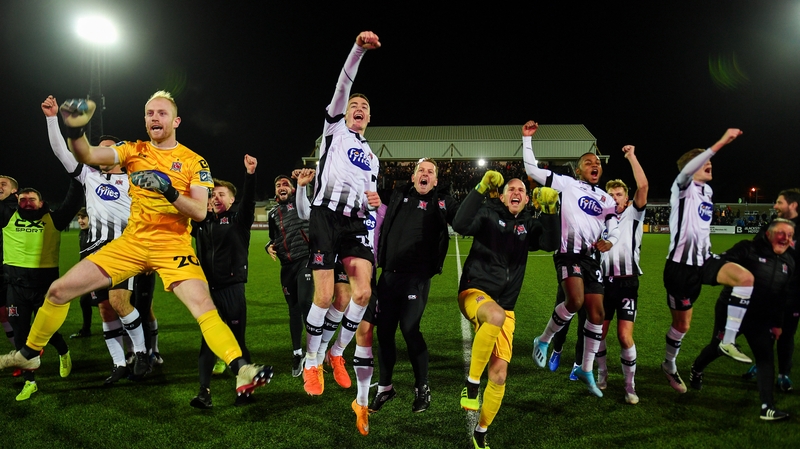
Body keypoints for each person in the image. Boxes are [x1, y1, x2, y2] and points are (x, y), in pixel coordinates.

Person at [0, 91, 272, 401]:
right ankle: (29, 353)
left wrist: (167, 189)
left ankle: (241, 367)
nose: (155, 117)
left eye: (161, 113)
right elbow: (86, 155)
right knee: (59, 291)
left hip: (172, 246)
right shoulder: (133, 150)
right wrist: (75, 129)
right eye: (149, 113)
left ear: (176, 120)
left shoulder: (194, 161)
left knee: (203, 307)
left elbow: (199, 211)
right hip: (132, 242)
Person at [43, 96, 153, 382]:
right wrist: (52, 118)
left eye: (106, 151)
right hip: (93, 251)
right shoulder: (88, 175)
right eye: (96, 150)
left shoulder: (135, 179)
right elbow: (59, 151)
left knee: (119, 302)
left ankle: (141, 353)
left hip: (124, 249)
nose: (99, 155)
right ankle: (119, 364)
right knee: (105, 309)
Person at [302, 31, 381, 396]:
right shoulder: (333, 129)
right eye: (354, 106)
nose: (358, 110)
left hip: (353, 224)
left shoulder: (373, 157)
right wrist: (357, 50)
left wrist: (375, 201)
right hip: (325, 217)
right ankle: (312, 361)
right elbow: (343, 83)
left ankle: (336, 354)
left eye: (364, 108)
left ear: (369, 118)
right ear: (345, 111)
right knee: (324, 296)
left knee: (360, 294)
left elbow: (371, 196)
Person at [454, 174, 560, 449]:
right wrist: (479, 188)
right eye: (510, 189)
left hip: (505, 307)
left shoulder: (529, 224)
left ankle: (481, 430)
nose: (515, 192)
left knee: (500, 375)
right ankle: (472, 384)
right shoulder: (489, 213)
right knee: (496, 315)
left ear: (527, 199)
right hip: (474, 293)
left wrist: (550, 211)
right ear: (501, 196)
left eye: (521, 190)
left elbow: (550, 244)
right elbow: (460, 223)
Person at [522, 120, 620, 397]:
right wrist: (527, 139)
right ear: (579, 169)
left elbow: (614, 224)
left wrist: (610, 240)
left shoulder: (605, 198)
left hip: (591, 259)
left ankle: (585, 368)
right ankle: (543, 341)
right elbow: (531, 169)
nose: (595, 164)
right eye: (589, 161)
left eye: (598, 162)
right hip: (568, 254)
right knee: (575, 301)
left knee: (597, 315)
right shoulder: (567, 184)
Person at [661, 129, 755, 393]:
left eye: (709, 161)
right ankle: (669, 364)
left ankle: (729, 339)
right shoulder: (682, 186)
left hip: (704, 262)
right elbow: (688, 171)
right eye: (703, 161)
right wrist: (721, 142)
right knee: (683, 325)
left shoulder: (708, 192)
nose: (708, 164)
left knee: (745, 279)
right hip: (679, 269)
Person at [371, 157, 459, 413]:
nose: (425, 174)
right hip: (388, 275)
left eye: (430, 172)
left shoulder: (439, 201)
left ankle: (422, 387)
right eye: (421, 170)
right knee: (384, 332)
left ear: (436, 180)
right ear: (412, 177)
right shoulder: (398, 195)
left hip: (416, 278)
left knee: (409, 329)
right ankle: (385, 388)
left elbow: (458, 216)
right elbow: (371, 194)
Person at [689, 219, 795, 420]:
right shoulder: (747, 248)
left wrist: (778, 323)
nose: (786, 238)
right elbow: (721, 263)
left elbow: (783, 295)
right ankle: (697, 368)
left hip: (761, 317)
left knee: (765, 357)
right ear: (769, 234)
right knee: (717, 347)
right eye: (782, 233)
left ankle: (767, 407)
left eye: (790, 235)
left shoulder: (789, 262)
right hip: (731, 312)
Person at [189, 155, 258, 408]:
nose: (215, 199)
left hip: (233, 290)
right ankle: (204, 392)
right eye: (212, 195)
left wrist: (250, 175)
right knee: (207, 341)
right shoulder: (202, 222)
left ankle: (245, 390)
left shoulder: (239, 220)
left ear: (231, 199)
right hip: (209, 291)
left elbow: (249, 200)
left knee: (238, 341)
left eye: (220, 194)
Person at [1, 184, 82, 400]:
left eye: (32, 199)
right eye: (23, 200)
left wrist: (76, 177)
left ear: (42, 203)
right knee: (21, 335)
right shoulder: (6, 216)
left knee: (46, 332)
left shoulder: (54, 219)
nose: (27, 203)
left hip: (45, 288)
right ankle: (30, 382)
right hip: (16, 288)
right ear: (16, 201)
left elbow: (73, 201)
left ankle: (64, 352)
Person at [595, 145, 649, 405]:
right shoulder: (599, 218)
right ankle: (602, 374)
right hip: (604, 284)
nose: (615, 198)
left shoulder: (633, 214)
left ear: (626, 199)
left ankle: (630, 385)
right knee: (599, 334)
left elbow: (643, 187)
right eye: (611, 194)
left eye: (619, 194)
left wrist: (631, 157)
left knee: (624, 336)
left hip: (627, 283)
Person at [743, 188, 800, 392]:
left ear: (793, 205)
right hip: (767, 291)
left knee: (786, 334)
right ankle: (761, 365)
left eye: (779, 202)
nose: (775, 206)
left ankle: (784, 374)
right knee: (764, 332)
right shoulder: (771, 225)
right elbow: (755, 248)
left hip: (793, 294)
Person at [266, 173, 314, 377]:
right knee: (293, 310)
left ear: (293, 189)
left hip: (305, 260)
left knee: (305, 303)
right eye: (278, 185)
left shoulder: (303, 203)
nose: (281, 187)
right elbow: (273, 237)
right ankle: (297, 353)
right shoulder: (273, 213)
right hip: (287, 267)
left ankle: (314, 353)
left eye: (285, 184)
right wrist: (269, 245)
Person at [0, 175, 19, 351]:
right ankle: (22, 353)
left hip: (10, 271)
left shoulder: (14, 208)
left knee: (13, 315)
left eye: (3, 184)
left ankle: (27, 353)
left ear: (14, 190)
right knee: (4, 315)